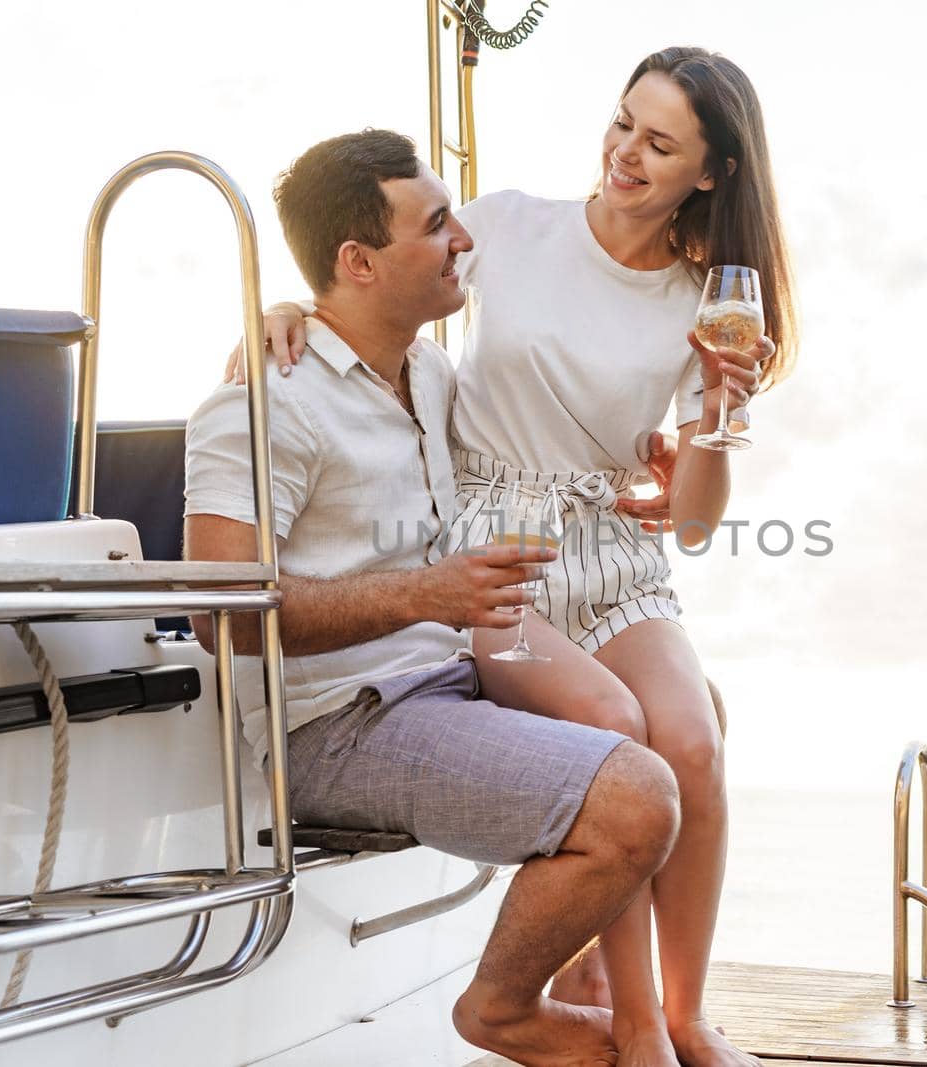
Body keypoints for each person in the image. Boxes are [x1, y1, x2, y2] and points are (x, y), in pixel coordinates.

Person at [231, 46, 793, 1067]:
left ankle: (682, 1011)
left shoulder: (702, 300)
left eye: (658, 142)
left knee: (695, 741)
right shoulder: (511, 222)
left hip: (613, 548)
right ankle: (630, 1029)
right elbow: (380, 273)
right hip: (490, 543)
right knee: (615, 729)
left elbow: (699, 524)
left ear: (706, 174)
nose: (624, 152)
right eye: (623, 121)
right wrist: (287, 308)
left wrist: (719, 414)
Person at [185, 128, 684, 1067]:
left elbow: (540, 429)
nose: (466, 239)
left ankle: (636, 1000)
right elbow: (221, 614)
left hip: (450, 676)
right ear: (358, 261)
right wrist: (423, 592)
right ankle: (500, 1008)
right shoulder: (264, 404)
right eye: (438, 224)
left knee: (679, 719)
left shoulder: (428, 372)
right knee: (637, 800)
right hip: (340, 722)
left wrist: (649, 468)